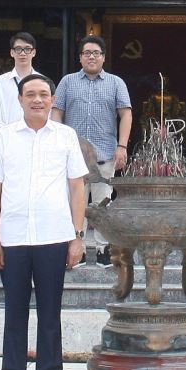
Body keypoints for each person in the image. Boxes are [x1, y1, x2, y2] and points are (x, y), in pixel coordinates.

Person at [0, 73, 88, 370]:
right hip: (13, 236)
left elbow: (77, 188)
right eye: (30, 94)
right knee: (14, 309)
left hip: (54, 235)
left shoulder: (65, 136)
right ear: (20, 100)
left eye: (43, 94)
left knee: (50, 310)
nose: (37, 100)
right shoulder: (3, 137)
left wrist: (77, 236)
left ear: (53, 100)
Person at [53, 34, 133, 264]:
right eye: (87, 53)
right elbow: (57, 112)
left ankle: (102, 248)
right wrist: (57, 143)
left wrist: (122, 146)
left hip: (105, 154)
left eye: (96, 53)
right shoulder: (67, 82)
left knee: (102, 203)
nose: (91, 57)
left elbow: (126, 114)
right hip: (72, 155)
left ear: (103, 57)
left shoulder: (116, 83)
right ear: (80, 57)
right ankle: (76, 247)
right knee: (74, 202)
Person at [0, 31, 39, 133]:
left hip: (36, 136)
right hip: (6, 138)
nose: (23, 53)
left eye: (27, 49)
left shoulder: (42, 81)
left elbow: (47, 114)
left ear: (33, 52)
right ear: (12, 52)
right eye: (18, 49)